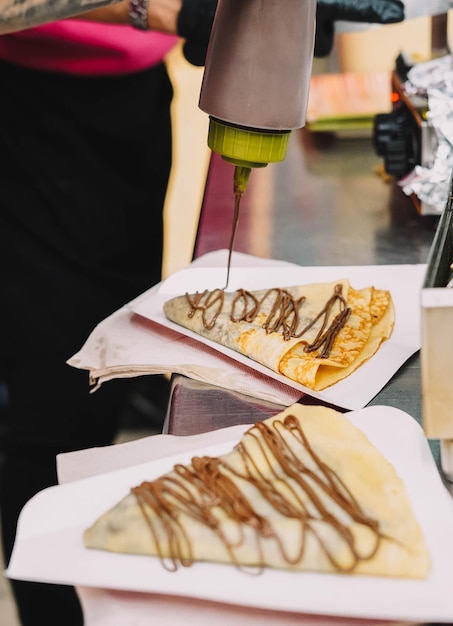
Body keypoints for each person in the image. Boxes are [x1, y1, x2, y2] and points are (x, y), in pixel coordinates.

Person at [0, 1, 404, 624]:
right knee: (53, 395)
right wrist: (159, 7)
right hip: (31, 98)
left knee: (113, 339)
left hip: (130, 88)